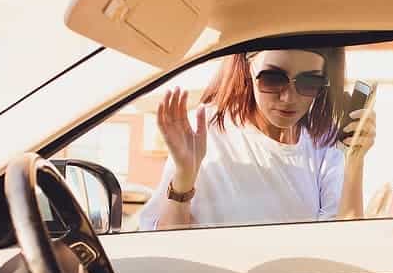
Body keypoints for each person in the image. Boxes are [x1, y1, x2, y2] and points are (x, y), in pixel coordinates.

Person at [136, 47, 376, 230]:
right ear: (247, 68)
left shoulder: (323, 144)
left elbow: (344, 239)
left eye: (309, 82)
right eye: (273, 78)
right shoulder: (204, 132)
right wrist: (184, 176)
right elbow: (167, 249)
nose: (288, 98)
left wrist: (354, 160)